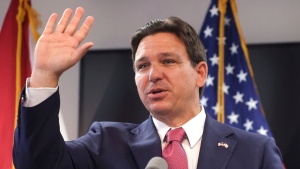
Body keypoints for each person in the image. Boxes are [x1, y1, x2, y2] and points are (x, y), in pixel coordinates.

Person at [13, 7, 283, 169]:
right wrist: (44, 75)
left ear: (200, 73)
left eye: (168, 61)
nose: (153, 74)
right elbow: (37, 164)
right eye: (142, 66)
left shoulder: (255, 152)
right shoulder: (106, 143)